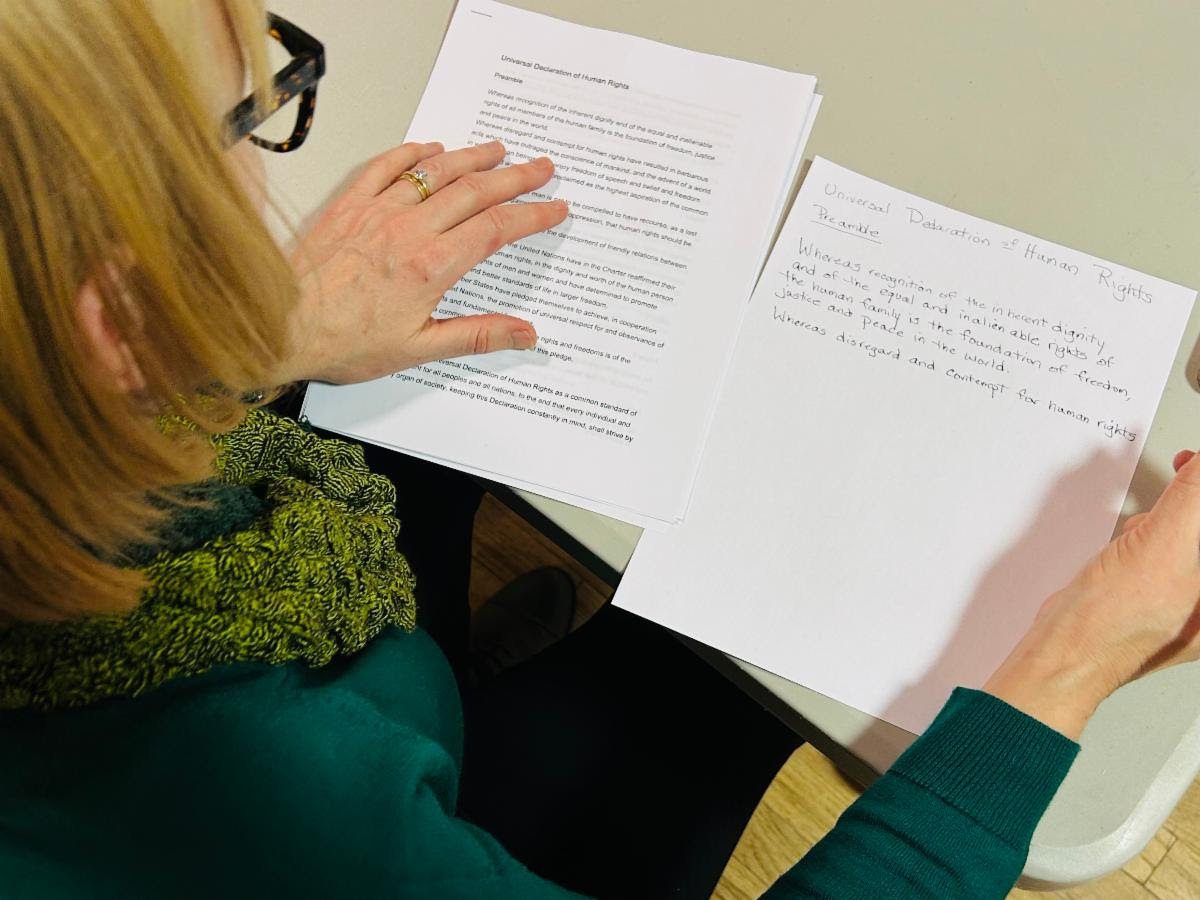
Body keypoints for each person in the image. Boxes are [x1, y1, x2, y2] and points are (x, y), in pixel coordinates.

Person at [1, 1, 1198, 897]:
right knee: (726, 681)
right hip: (398, 817)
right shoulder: (255, 791)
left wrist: (263, 339)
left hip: (335, 654)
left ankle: (450, 668)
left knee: (429, 415)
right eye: (247, 116)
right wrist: (1082, 651)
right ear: (114, 319)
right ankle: (482, 700)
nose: (262, 143)